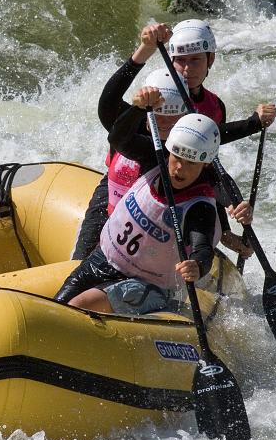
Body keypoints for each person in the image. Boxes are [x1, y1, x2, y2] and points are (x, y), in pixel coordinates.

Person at [71, 20, 275, 260]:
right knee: (82, 260)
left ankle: (217, 238)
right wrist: (144, 50)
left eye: (195, 59)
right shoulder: (154, 99)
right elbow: (108, 108)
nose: (187, 69)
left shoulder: (213, 107)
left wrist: (230, 213)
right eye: (181, 60)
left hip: (164, 193)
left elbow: (208, 165)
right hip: (118, 188)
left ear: (211, 60)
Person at [56, 113, 250, 315]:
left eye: (191, 163)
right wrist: (138, 108)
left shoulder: (200, 206)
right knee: (58, 306)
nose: (180, 169)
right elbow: (118, 138)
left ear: (206, 164)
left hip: (147, 285)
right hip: (103, 260)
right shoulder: (153, 161)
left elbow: (202, 247)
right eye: (177, 157)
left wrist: (197, 266)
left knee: (77, 306)